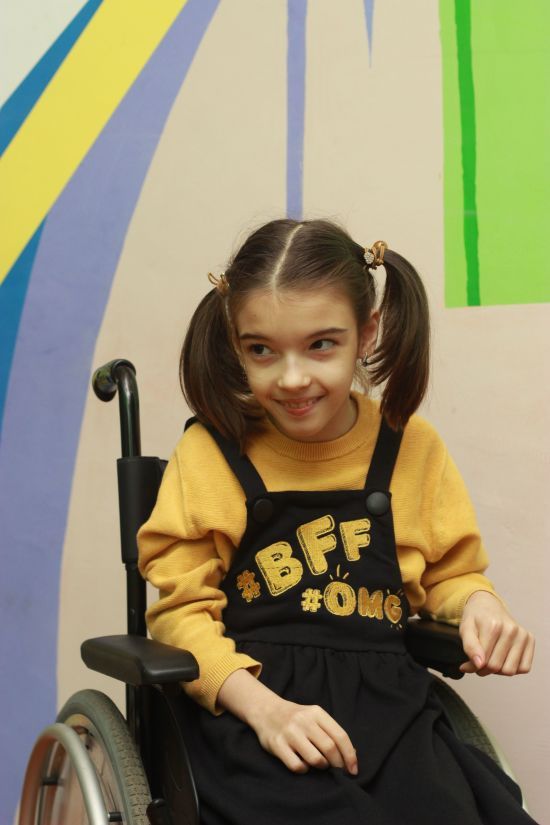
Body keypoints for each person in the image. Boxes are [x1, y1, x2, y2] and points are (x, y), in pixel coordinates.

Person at [137, 218, 536, 824]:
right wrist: (268, 712)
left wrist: (480, 605)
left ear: (367, 332)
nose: (292, 378)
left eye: (321, 344)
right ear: (235, 344)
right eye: (261, 350)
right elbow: (179, 617)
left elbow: (450, 574)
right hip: (252, 714)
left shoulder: (409, 445)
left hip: (391, 712)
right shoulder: (212, 454)